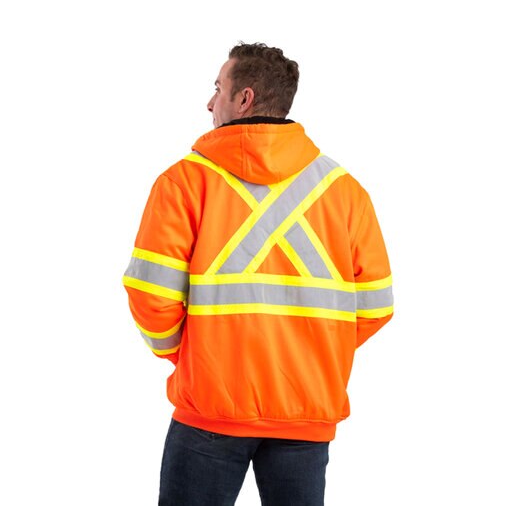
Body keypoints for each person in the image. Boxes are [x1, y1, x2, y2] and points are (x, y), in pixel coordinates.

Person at [123, 42, 394, 506]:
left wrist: (193, 356)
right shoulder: (345, 192)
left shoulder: (183, 183)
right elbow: (375, 305)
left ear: (244, 99)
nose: (210, 102)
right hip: (305, 409)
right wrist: (311, 351)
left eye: (218, 88)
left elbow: (151, 294)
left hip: (210, 410)